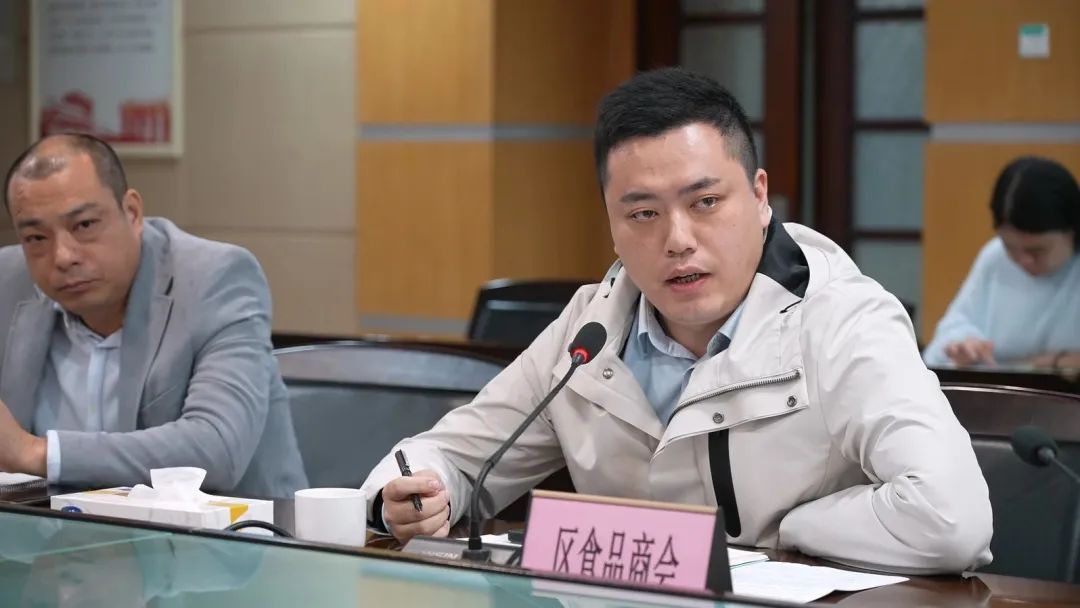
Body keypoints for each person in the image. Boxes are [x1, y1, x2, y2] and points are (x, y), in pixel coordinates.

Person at [359, 69, 993, 573]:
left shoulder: (842, 319)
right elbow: (450, 457)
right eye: (643, 214)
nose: (678, 240)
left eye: (706, 202)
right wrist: (410, 497)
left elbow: (950, 519)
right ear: (611, 224)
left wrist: (790, 531)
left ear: (760, 196)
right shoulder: (590, 330)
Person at [0, 134, 307, 498]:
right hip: (49, 529)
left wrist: (36, 453)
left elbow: (216, 449)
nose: (63, 256)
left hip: (230, 529)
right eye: (36, 238)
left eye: (84, 225)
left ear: (132, 213)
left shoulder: (214, 279)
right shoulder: (9, 281)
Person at [923, 157, 1080, 369]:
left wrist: (1056, 362)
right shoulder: (995, 257)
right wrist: (964, 346)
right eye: (1010, 247)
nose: (1023, 260)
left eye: (1036, 251)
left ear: (1072, 233)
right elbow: (948, 336)